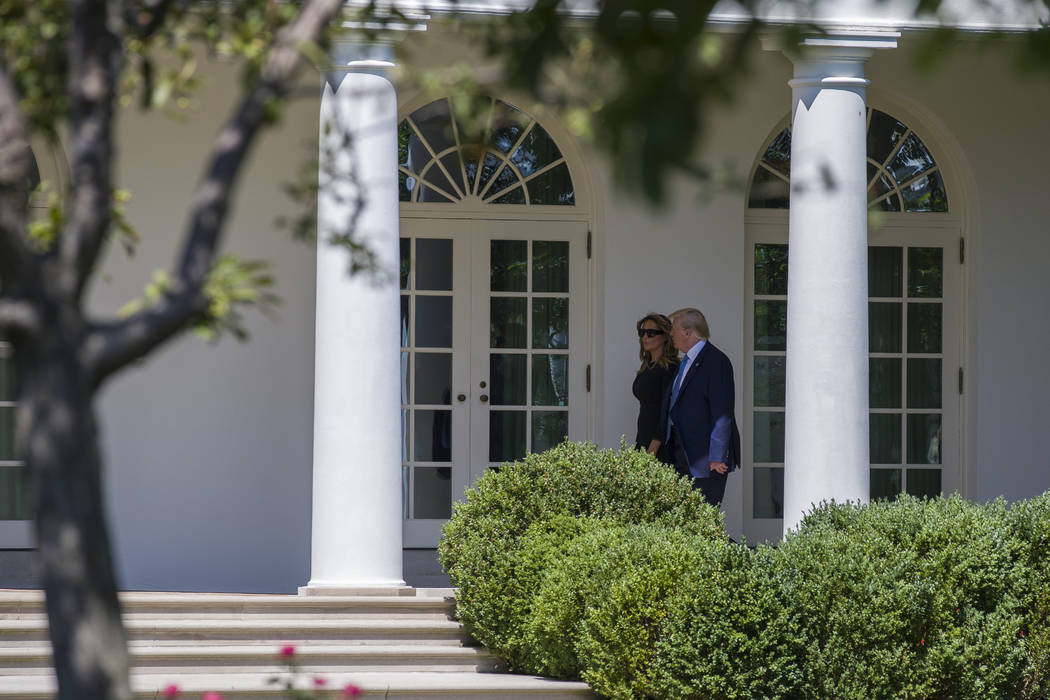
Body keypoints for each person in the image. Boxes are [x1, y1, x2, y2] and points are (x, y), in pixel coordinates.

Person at [659, 307, 741, 506]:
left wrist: (717, 456)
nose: (670, 334)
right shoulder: (686, 361)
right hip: (681, 453)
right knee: (684, 519)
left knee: (703, 519)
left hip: (705, 459)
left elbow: (722, 412)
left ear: (687, 333)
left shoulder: (716, 362)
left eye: (674, 329)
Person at [632, 313, 678, 464]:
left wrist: (654, 446)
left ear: (665, 336)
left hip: (659, 445)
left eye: (651, 333)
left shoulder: (670, 368)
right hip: (643, 438)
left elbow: (668, 409)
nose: (645, 337)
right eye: (642, 332)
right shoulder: (647, 365)